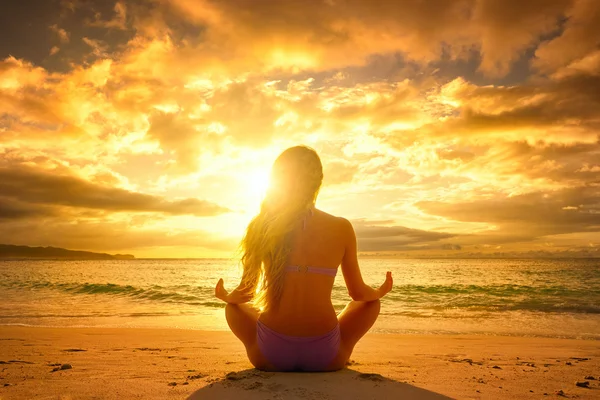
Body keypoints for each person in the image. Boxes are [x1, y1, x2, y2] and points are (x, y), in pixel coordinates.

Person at [215, 145, 393, 371]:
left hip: (271, 353)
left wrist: (226, 296)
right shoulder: (341, 227)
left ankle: (263, 350)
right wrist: (379, 291)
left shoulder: (261, 225)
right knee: (370, 304)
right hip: (325, 355)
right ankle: (339, 352)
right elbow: (358, 293)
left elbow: (245, 292)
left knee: (233, 308)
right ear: (318, 182)